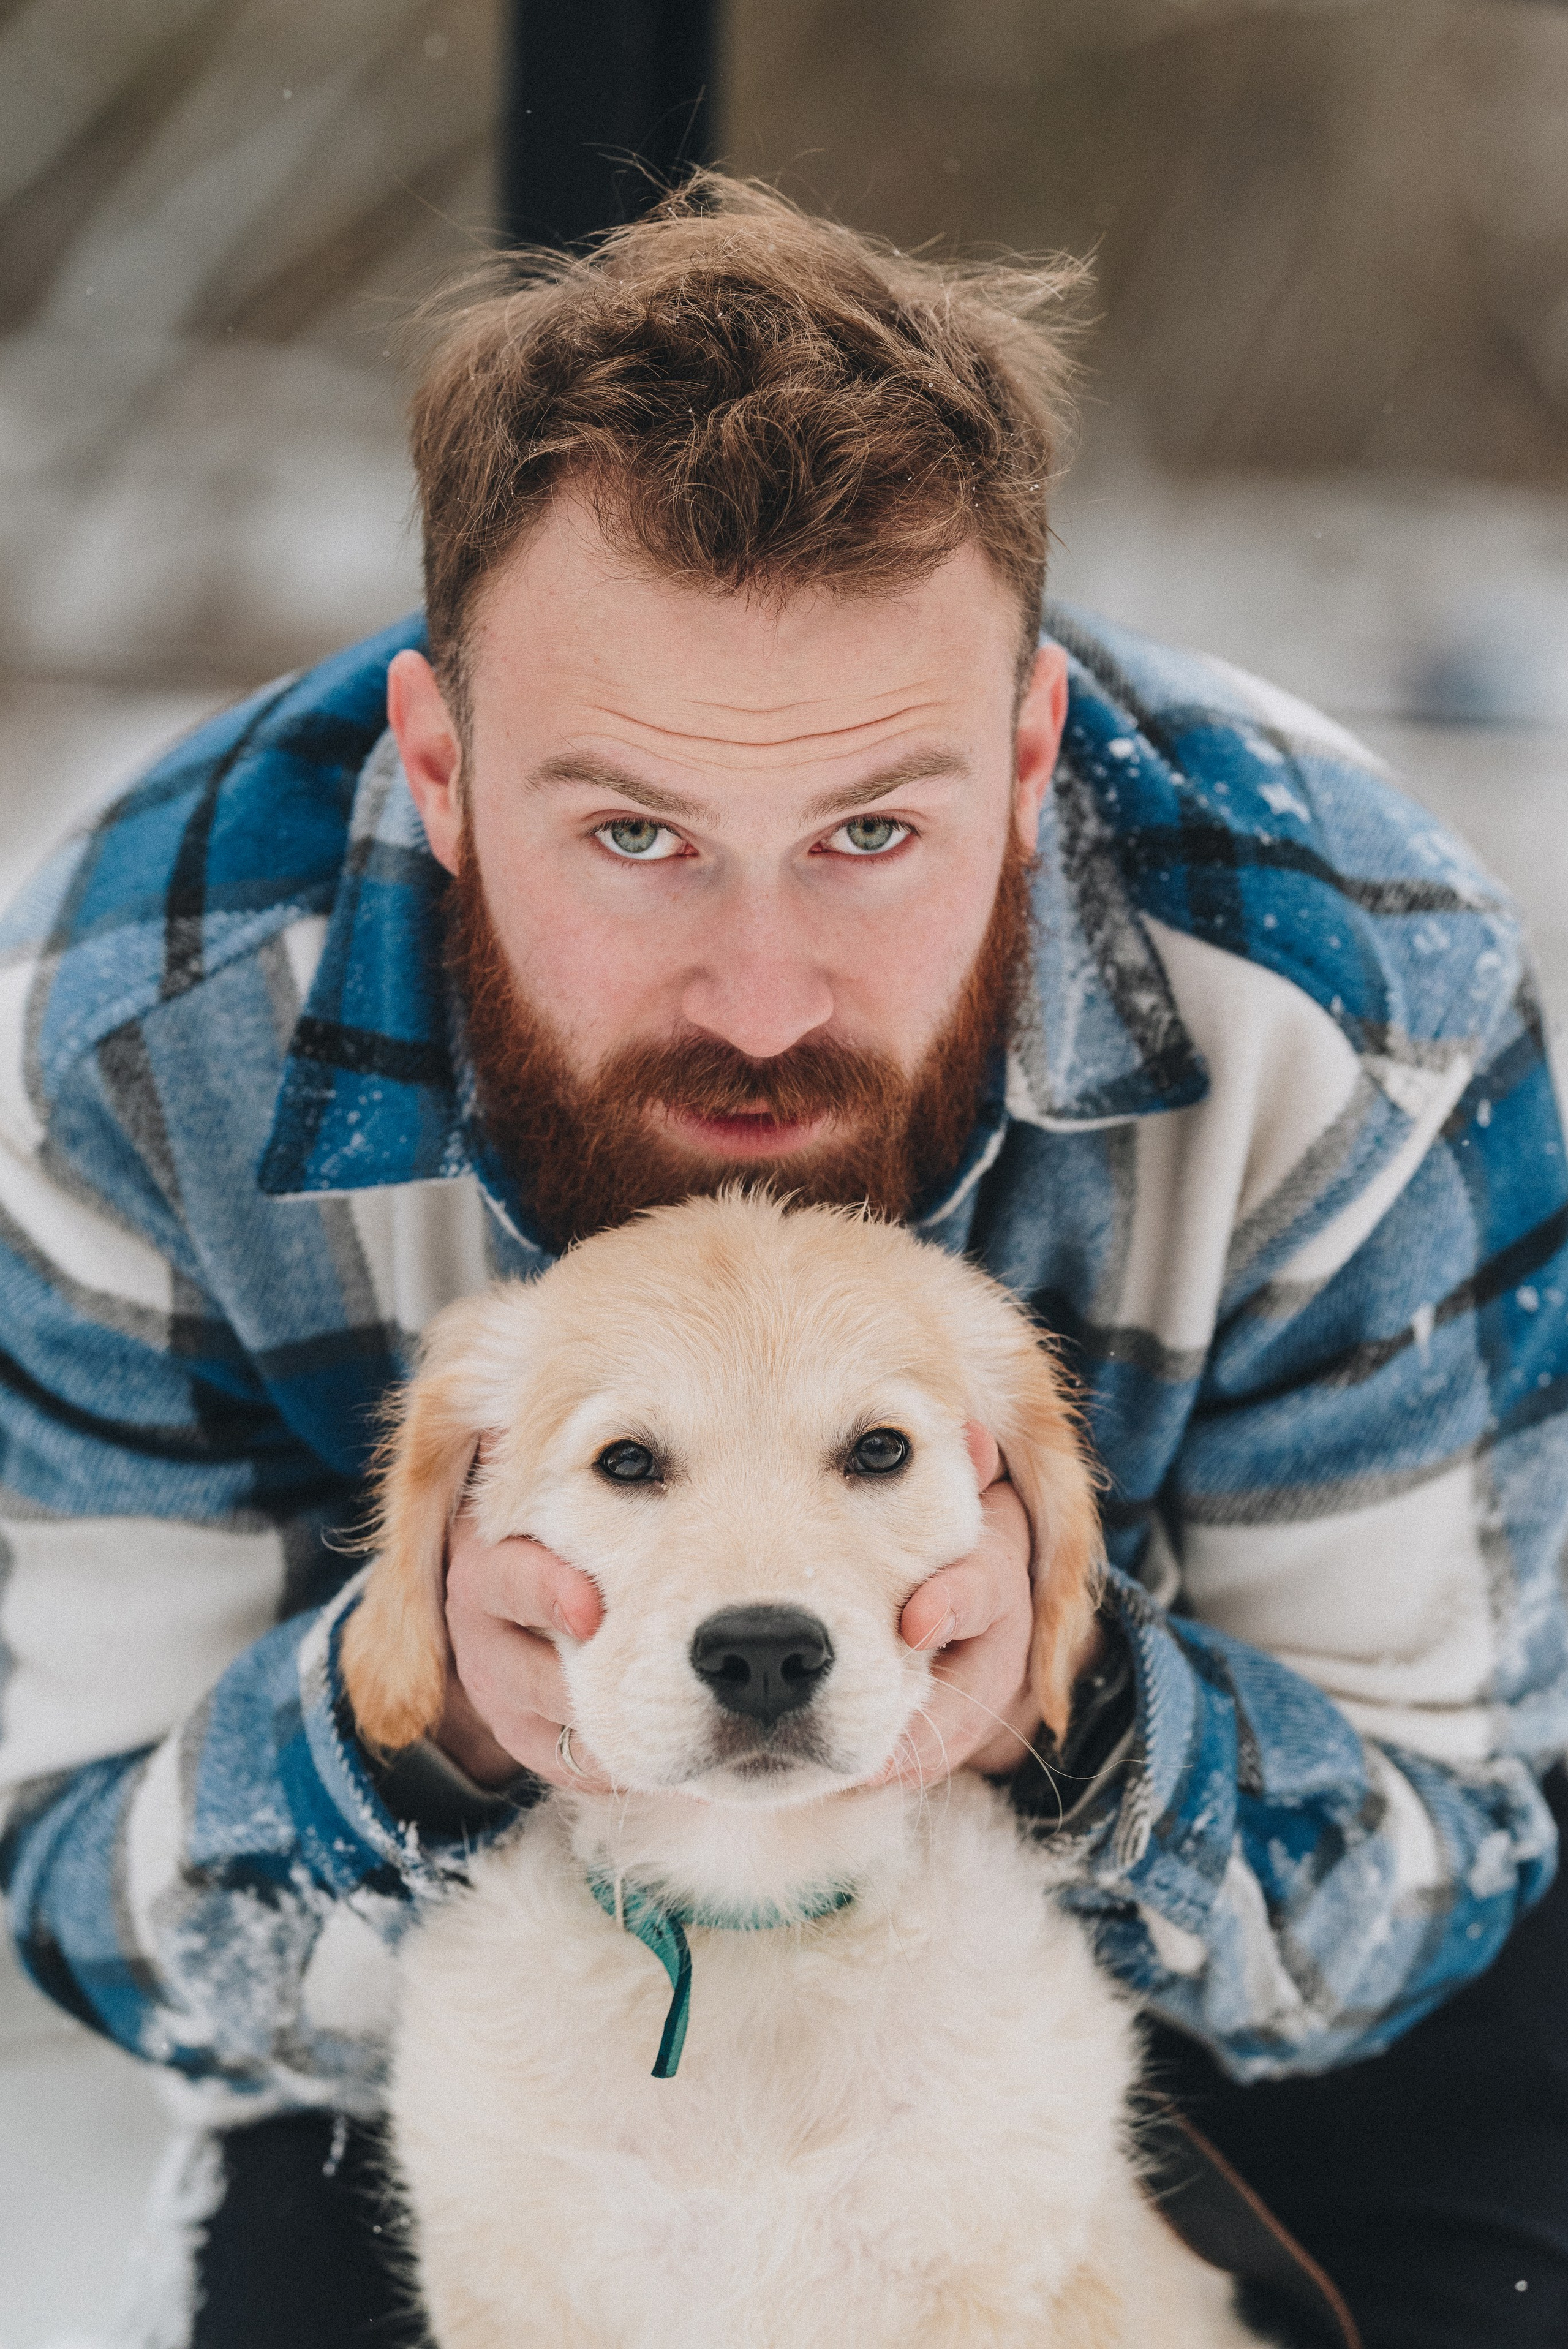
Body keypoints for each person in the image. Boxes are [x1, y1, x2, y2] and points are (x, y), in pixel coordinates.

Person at [1, 176, 1566, 2349]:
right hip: (476, 1971)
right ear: (439, 773)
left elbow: (1439, 1876)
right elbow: (89, 1891)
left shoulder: (1349, 986)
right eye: (634, 832)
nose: (758, 992)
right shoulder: (134, 1012)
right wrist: (426, 1722)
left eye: (872, 834)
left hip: (1216, 1980)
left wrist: (1079, 1695)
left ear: (1026, 764)